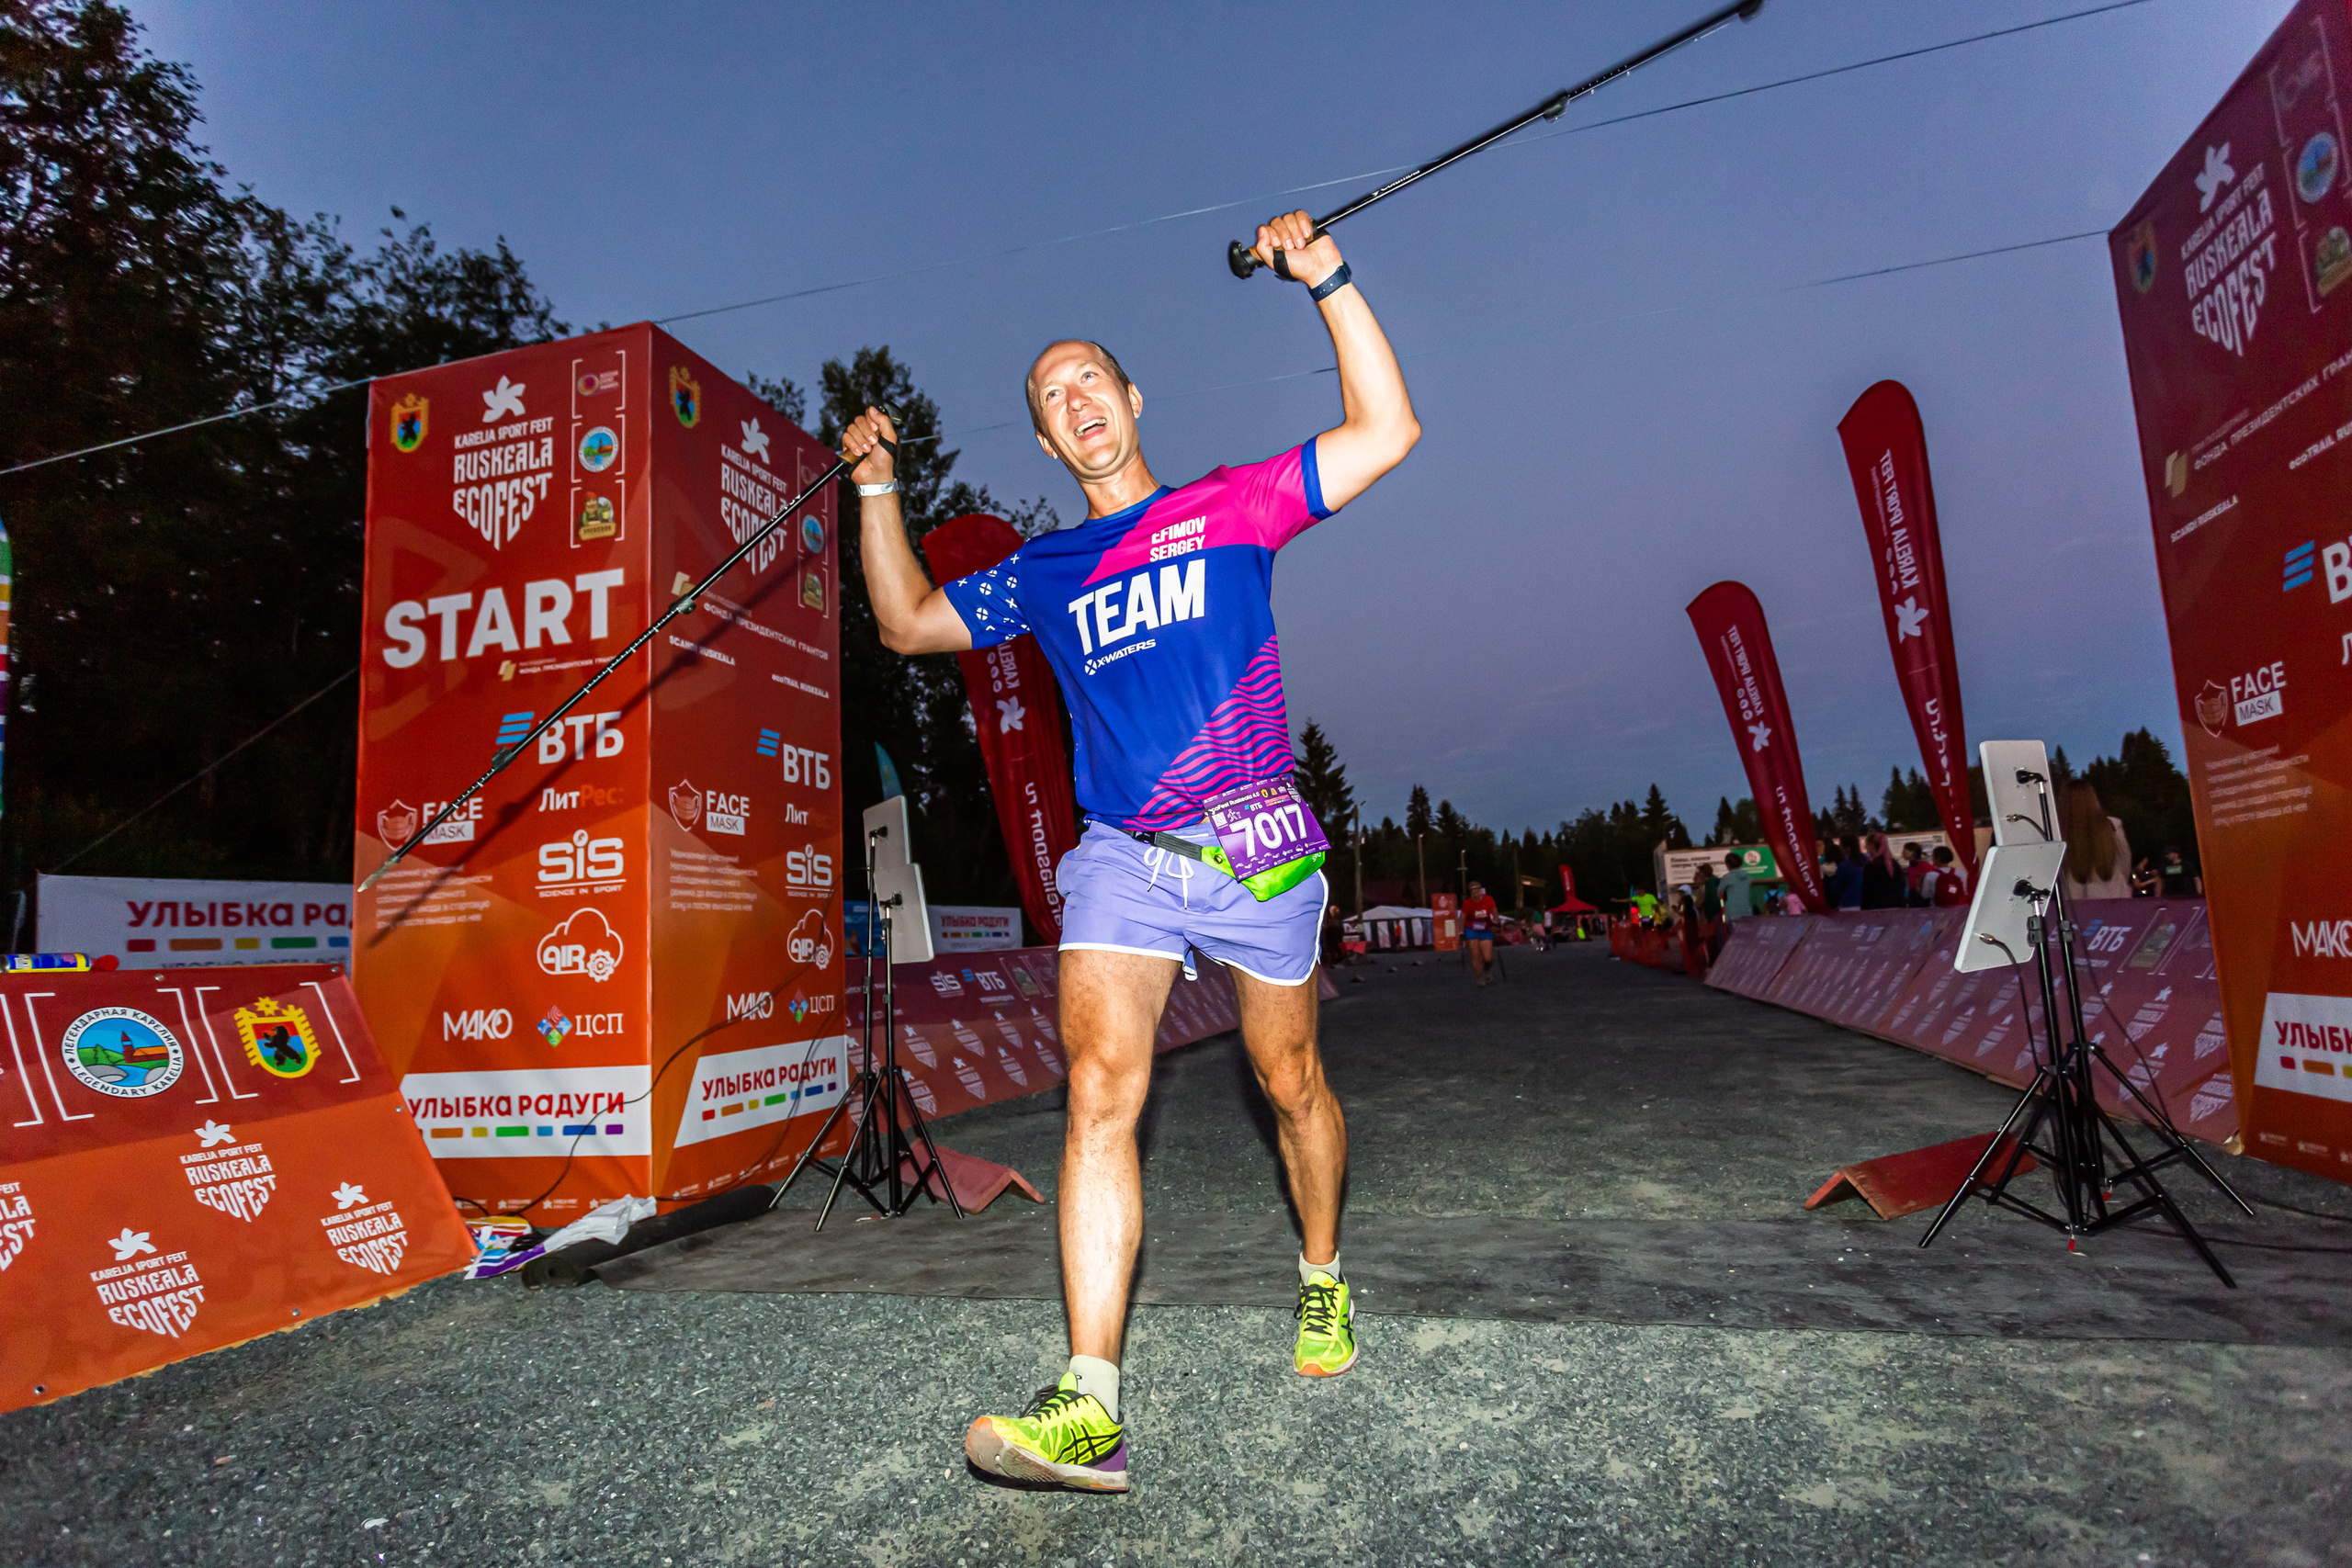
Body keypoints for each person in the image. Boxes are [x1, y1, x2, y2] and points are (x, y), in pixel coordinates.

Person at [837, 209, 1417, 1493]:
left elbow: (1386, 431)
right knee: (1100, 1087)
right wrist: (878, 491)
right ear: (1047, 440)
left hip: (1256, 842)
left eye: (1089, 375)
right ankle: (1089, 1397)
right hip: (1123, 853)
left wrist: (1328, 280)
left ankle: (1322, 1269)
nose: (1075, 398)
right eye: (1052, 395)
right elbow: (907, 623)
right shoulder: (1046, 569)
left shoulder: (1232, 504)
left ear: (1132, 398)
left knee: (1291, 1082)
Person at [2058, 781, 2134, 903]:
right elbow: (2125, 862)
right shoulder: (2112, 826)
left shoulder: (2058, 833)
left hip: (2074, 903)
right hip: (2114, 898)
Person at [1858, 832, 1905, 909]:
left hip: (1877, 909)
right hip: (1897, 908)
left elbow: (1867, 892)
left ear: (1872, 846)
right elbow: (1901, 886)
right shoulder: (1895, 864)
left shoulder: (1871, 866)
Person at [1928, 843, 1970, 907]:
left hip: (1937, 908)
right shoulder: (1962, 872)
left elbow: (1926, 895)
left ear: (1937, 859)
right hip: (1958, 906)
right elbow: (1965, 891)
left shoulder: (1931, 875)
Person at [1718, 851, 1754, 921]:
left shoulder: (1727, 877)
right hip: (1747, 912)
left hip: (1732, 913)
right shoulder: (1747, 876)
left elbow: (1720, 894)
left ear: (1727, 864)